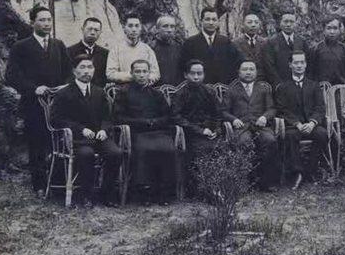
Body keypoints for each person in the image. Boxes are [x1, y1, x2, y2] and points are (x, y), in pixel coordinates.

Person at [5, 5, 73, 190]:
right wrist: (34, 89)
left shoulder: (58, 45)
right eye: (42, 20)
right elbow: (11, 75)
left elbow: (69, 72)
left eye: (49, 20)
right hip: (33, 104)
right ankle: (39, 185)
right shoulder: (21, 47)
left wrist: (65, 87)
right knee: (36, 143)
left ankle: (57, 181)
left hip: (57, 104)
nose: (47, 23)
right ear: (32, 22)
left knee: (57, 141)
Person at [50, 56, 123, 205]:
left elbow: (108, 117)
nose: (86, 71)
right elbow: (56, 119)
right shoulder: (64, 93)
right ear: (74, 71)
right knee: (86, 154)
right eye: (82, 67)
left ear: (94, 70)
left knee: (115, 153)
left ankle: (107, 194)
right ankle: (86, 195)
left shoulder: (99, 92)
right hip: (76, 139)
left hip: (99, 137)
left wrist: (104, 129)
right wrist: (81, 129)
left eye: (90, 67)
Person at [113, 59, 177, 205]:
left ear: (149, 73)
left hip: (158, 132)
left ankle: (164, 191)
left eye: (144, 71)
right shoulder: (123, 93)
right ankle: (144, 191)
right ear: (131, 73)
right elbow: (119, 117)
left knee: (168, 148)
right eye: (138, 71)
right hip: (136, 133)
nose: (141, 75)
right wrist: (144, 123)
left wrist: (154, 122)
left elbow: (168, 116)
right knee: (145, 149)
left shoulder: (156, 94)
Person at [275, 52, 329, 190]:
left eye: (302, 62)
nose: (299, 65)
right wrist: (297, 124)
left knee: (323, 134)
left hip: (312, 125)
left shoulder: (314, 85)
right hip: (293, 126)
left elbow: (320, 108)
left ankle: (310, 170)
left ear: (306, 64)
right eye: (296, 63)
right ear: (290, 65)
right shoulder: (283, 87)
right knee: (290, 136)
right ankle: (297, 172)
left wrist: (312, 123)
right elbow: (282, 110)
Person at [223, 60, 279, 192]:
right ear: (239, 72)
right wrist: (233, 119)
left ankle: (267, 182)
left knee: (270, 141)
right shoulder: (232, 90)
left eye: (251, 69)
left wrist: (265, 117)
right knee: (244, 142)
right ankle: (245, 182)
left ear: (256, 72)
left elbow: (272, 109)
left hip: (261, 126)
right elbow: (223, 111)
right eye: (245, 69)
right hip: (242, 127)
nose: (248, 72)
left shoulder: (263, 89)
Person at [171, 60, 224, 186]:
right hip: (190, 133)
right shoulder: (180, 94)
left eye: (199, 74)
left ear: (204, 75)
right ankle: (200, 187)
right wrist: (200, 131)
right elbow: (176, 117)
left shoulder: (210, 92)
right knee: (202, 150)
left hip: (210, 131)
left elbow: (218, 114)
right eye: (192, 73)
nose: (196, 77)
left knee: (223, 147)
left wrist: (215, 129)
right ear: (186, 75)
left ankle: (219, 186)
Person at [179, 6, 241, 86]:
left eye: (214, 20)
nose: (211, 23)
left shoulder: (226, 42)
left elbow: (235, 65)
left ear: (218, 22)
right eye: (207, 19)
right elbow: (183, 67)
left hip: (223, 88)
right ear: (201, 21)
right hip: (199, 88)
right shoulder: (190, 43)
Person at [106, 14, 160, 85]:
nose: (134, 29)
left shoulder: (147, 49)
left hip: (144, 88)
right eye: (130, 26)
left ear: (140, 28)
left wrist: (146, 78)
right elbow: (110, 74)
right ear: (124, 28)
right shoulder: (116, 50)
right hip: (124, 88)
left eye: (137, 26)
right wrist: (134, 76)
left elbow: (156, 73)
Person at [262, 10, 308, 89]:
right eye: (285, 21)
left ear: (295, 24)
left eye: (291, 22)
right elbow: (269, 65)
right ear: (280, 23)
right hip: (279, 85)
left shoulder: (302, 41)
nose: (288, 24)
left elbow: (307, 62)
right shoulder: (271, 42)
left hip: (299, 84)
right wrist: (278, 83)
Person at [308, 17, 345, 86]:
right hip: (321, 89)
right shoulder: (315, 49)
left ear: (339, 30)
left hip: (341, 88)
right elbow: (311, 75)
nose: (332, 32)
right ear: (324, 30)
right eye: (329, 28)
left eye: (335, 28)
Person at [67, 17, 109, 88]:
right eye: (89, 29)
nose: (92, 33)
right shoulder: (69, 51)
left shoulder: (105, 53)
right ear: (82, 29)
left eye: (96, 30)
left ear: (100, 32)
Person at [232, 12, 267, 82]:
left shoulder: (265, 43)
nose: (253, 25)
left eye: (256, 22)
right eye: (250, 22)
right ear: (243, 25)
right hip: (241, 81)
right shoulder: (235, 43)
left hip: (261, 81)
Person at [153, 14, 183, 87]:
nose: (169, 30)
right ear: (157, 29)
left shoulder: (179, 48)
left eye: (172, 26)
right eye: (165, 26)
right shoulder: (150, 49)